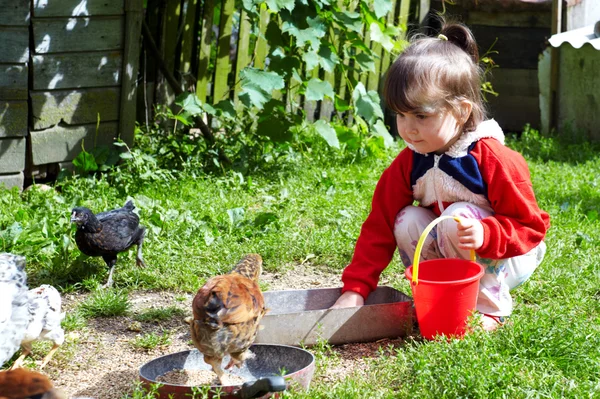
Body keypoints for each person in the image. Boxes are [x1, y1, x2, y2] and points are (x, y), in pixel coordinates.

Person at [331, 21, 550, 331]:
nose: (408, 128)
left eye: (421, 115)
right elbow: (378, 225)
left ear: (461, 111)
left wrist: (488, 234)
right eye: (401, 114)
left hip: (507, 257)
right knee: (405, 219)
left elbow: (531, 225)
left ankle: (489, 310)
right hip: (454, 246)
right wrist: (356, 289)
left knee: (457, 216)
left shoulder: (494, 159)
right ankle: (440, 297)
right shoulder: (410, 161)